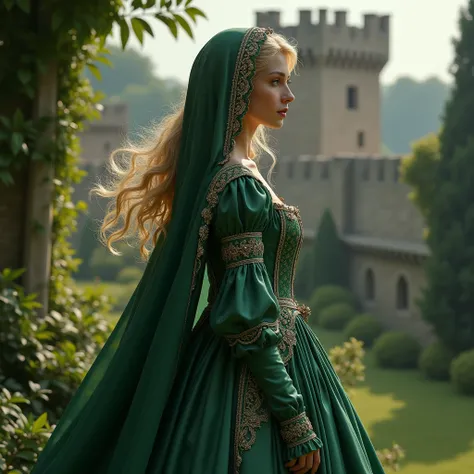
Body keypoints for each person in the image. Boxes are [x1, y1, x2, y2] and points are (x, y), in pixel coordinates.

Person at [32, 27, 386, 474]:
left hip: (280, 357)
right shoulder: (238, 186)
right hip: (252, 370)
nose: (289, 95)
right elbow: (248, 316)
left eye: (288, 82)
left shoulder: (244, 172)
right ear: (238, 87)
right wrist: (294, 418)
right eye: (275, 81)